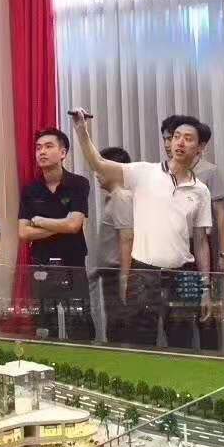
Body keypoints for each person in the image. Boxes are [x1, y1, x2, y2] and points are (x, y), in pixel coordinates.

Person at [73, 111, 212, 349]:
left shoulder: (201, 190)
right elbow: (99, 164)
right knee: (140, 341)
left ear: (200, 148)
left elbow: (200, 242)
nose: (180, 142)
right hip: (144, 273)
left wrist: (206, 287)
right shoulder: (145, 172)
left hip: (183, 274)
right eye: (176, 136)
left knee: (182, 343)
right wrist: (81, 130)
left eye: (188, 138)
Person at [18, 127, 92, 341]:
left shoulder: (78, 183)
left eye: (48, 146)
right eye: (38, 148)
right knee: (44, 322)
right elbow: (23, 232)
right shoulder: (30, 189)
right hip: (41, 265)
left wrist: (40, 221)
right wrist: (62, 224)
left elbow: (74, 226)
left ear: (63, 152)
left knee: (79, 321)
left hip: (72, 263)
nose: (41, 152)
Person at [162, 116, 224, 349]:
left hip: (199, 244)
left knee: (204, 310)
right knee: (175, 315)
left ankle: (211, 357)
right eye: (169, 138)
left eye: (183, 138)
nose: (171, 143)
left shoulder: (208, 171)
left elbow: (220, 214)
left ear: (199, 145)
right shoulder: (161, 172)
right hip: (171, 248)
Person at [92, 146, 134, 344]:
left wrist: (125, 279)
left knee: (121, 329)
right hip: (110, 274)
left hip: (119, 275)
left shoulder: (121, 197)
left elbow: (127, 238)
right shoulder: (114, 197)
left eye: (100, 168)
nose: (96, 173)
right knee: (114, 328)